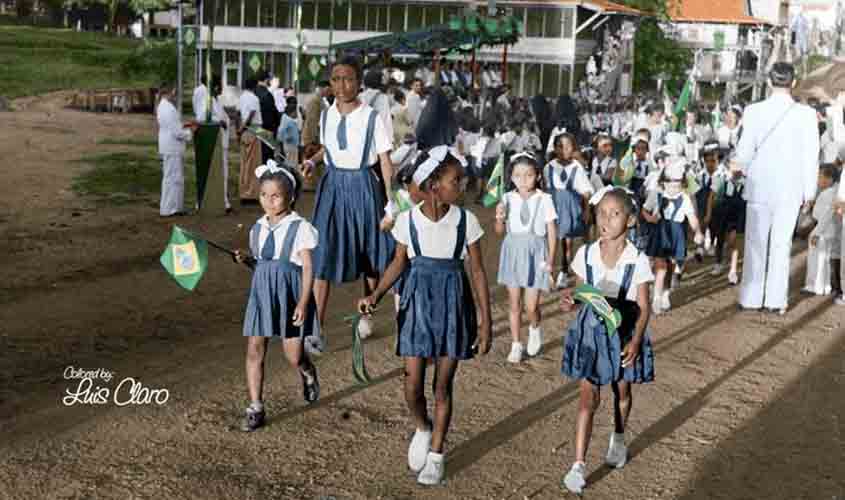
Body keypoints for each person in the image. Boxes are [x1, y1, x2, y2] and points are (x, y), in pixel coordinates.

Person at [357, 146, 492, 486]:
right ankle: (422, 426)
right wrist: (375, 294)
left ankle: (436, 455)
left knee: (442, 386)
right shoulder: (407, 220)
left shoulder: (467, 221)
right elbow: (398, 263)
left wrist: (486, 322)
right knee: (412, 386)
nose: (461, 185)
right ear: (433, 186)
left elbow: (477, 272)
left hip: (453, 306)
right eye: (455, 180)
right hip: (417, 304)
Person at [559, 187, 655, 495]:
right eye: (602, 212)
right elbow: (581, 293)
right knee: (587, 398)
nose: (606, 219)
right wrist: (571, 301)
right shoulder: (585, 254)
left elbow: (644, 306)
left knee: (621, 391)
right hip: (592, 333)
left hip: (624, 333)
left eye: (615, 214)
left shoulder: (637, 259)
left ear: (630, 220)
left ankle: (619, 435)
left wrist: (636, 341)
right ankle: (578, 465)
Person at [300, 56, 396, 345]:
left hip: (363, 187)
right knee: (322, 253)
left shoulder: (372, 117)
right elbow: (330, 149)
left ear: (359, 82)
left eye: (348, 79)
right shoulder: (327, 114)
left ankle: (367, 314)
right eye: (336, 79)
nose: (342, 86)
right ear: (330, 83)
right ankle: (315, 329)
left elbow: (385, 160)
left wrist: (391, 202)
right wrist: (313, 161)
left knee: (370, 256)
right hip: (332, 188)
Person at [234, 161, 320, 432]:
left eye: (275, 196)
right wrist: (247, 260)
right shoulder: (257, 228)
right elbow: (262, 265)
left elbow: (308, 268)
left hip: (291, 296)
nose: (268, 202)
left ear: (290, 197)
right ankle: (255, 407)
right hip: (261, 295)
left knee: (293, 355)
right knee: (254, 350)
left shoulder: (300, 227)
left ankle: (306, 370)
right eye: (263, 195)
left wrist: (303, 302)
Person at [735, 63, 820, 314]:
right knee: (781, 247)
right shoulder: (807, 114)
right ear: (793, 82)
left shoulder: (753, 111)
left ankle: (751, 298)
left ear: (769, 81)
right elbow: (811, 156)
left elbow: (744, 152)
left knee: (755, 244)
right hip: (790, 188)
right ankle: (775, 300)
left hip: (759, 186)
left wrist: (739, 168)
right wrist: (809, 192)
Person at [495, 152, 557, 363]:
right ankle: (516, 344)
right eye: (518, 175)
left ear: (537, 176)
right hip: (512, 251)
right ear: (511, 177)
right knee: (514, 303)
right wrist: (499, 218)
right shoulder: (506, 198)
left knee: (531, 306)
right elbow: (499, 232)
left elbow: (551, 232)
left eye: (529, 175)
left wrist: (551, 260)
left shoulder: (544, 199)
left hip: (535, 253)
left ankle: (534, 327)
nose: (523, 180)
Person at [642, 158, 704, 314]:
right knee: (661, 267)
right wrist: (650, 218)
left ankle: (665, 293)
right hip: (660, 233)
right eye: (671, 185)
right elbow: (644, 210)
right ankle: (656, 297)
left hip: (676, 235)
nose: (674, 189)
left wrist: (697, 231)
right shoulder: (656, 194)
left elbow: (692, 217)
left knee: (671, 266)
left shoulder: (685, 198)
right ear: (663, 182)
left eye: (678, 186)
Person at [545, 132, 593, 289]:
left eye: (567, 146)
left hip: (570, 208)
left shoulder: (577, 167)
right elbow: (545, 189)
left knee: (566, 241)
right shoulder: (548, 167)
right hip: (552, 207)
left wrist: (586, 210)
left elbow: (585, 192)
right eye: (560, 146)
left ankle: (564, 272)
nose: (563, 150)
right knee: (551, 240)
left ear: (573, 148)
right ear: (554, 148)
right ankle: (549, 272)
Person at [156, 82, 196, 217]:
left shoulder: (163, 106)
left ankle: (174, 207)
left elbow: (173, 126)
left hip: (169, 146)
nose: (175, 94)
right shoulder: (168, 109)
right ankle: (170, 208)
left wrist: (185, 125)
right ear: (168, 92)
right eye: (173, 92)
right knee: (173, 178)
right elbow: (176, 132)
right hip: (172, 147)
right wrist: (190, 132)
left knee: (173, 178)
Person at [803, 164, 841, 295]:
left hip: (822, 230)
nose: (817, 180)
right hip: (830, 230)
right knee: (824, 259)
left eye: (820, 177)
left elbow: (825, 216)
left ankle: (814, 286)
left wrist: (817, 233)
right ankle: (825, 286)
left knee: (817, 259)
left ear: (829, 179)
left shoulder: (826, 195)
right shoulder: (835, 192)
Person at [238, 78, 263, 203]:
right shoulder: (254, 98)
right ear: (254, 87)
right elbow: (252, 114)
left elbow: (238, 114)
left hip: (245, 131)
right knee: (254, 164)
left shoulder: (241, 97)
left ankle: (244, 191)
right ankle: (251, 194)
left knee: (244, 163)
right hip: (253, 129)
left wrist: (239, 130)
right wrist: (243, 128)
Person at [210, 78, 232, 213]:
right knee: (219, 172)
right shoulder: (209, 101)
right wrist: (219, 121)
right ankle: (221, 201)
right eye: (221, 87)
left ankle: (224, 200)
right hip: (216, 140)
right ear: (216, 87)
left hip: (223, 140)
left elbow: (225, 118)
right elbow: (205, 117)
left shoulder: (217, 101)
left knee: (224, 172)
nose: (222, 90)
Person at [361, 70, 395, 151]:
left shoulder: (360, 96)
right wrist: (390, 142)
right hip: (378, 140)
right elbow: (385, 120)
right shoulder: (382, 98)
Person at [255, 71, 281, 164]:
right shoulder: (267, 94)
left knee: (258, 155)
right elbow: (272, 113)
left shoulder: (254, 92)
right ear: (267, 80)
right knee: (267, 157)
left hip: (256, 128)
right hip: (267, 129)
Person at [277, 103, 300, 169]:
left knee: (291, 161)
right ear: (292, 112)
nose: (297, 114)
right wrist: (286, 137)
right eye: (296, 112)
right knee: (292, 162)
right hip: (291, 144)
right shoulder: (288, 121)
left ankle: (290, 170)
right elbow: (281, 130)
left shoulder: (286, 119)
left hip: (291, 144)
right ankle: (290, 172)